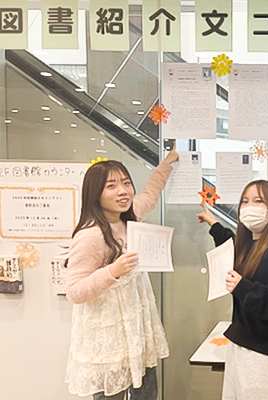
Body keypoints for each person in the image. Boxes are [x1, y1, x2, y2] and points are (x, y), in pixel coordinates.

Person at [65, 147, 179, 399]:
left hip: (137, 332)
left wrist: (167, 164)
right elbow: (74, 291)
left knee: (147, 393)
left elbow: (150, 194)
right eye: (111, 186)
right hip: (109, 340)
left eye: (126, 183)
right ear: (95, 193)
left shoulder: (129, 219)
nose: (123, 191)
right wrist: (112, 271)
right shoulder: (91, 234)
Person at [196, 180, 268, 400]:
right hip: (240, 350)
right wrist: (213, 224)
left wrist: (244, 288)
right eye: (244, 201)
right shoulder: (249, 247)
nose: (249, 207)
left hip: (267, 358)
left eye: (258, 201)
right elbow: (232, 247)